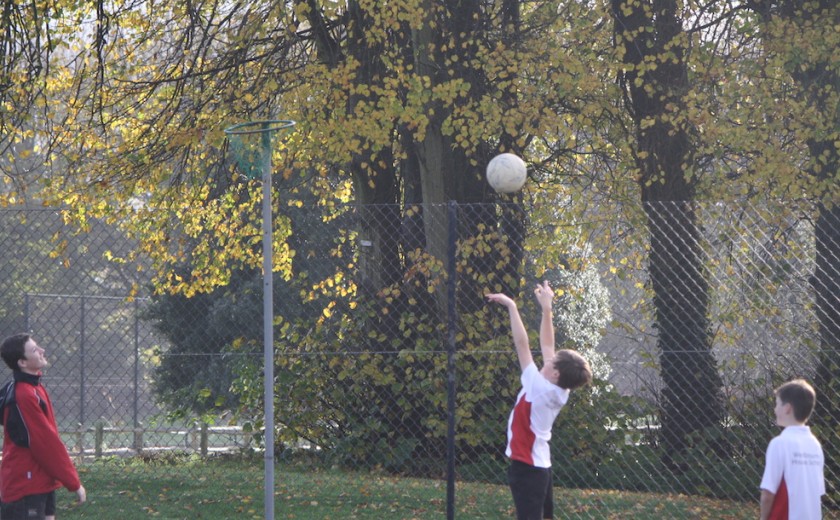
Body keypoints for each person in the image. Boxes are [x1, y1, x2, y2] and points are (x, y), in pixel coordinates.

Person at [486, 281, 592, 520]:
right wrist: (546, 308)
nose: (549, 357)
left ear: (555, 373)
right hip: (540, 467)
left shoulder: (538, 387)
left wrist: (512, 307)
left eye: (553, 360)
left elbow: (522, 345)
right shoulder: (557, 388)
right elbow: (546, 344)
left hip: (527, 468)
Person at [0, 333, 86, 520]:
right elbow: (45, 444)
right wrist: (73, 482)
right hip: (25, 486)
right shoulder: (24, 395)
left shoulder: (34, 387)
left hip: (42, 481)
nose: (42, 351)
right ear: (22, 362)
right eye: (34, 350)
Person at [759, 378, 825, 520]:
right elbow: (817, 492)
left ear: (787, 408)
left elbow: (767, 494)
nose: (775, 409)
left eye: (777, 404)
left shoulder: (779, 444)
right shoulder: (815, 445)